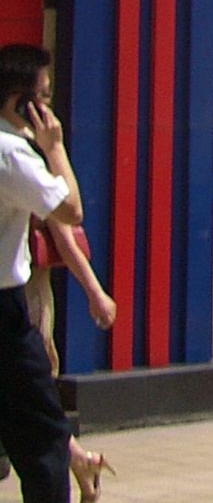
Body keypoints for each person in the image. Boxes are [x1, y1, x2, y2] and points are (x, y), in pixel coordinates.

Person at [2, 43, 86, 503]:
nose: (51, 110)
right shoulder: (14, 154)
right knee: (45, 438)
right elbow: (71, 210)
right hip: (4, 317)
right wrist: (55, 151)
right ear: (20, 103)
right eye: (45, 98)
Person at [24, 217, 116, 501]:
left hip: (25, 301)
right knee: (33, 404)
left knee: (32, 399)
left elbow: (63, 229)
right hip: (18, 302)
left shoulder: (26, 174)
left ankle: (79, 461)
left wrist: (95, 293)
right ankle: (80, 460)